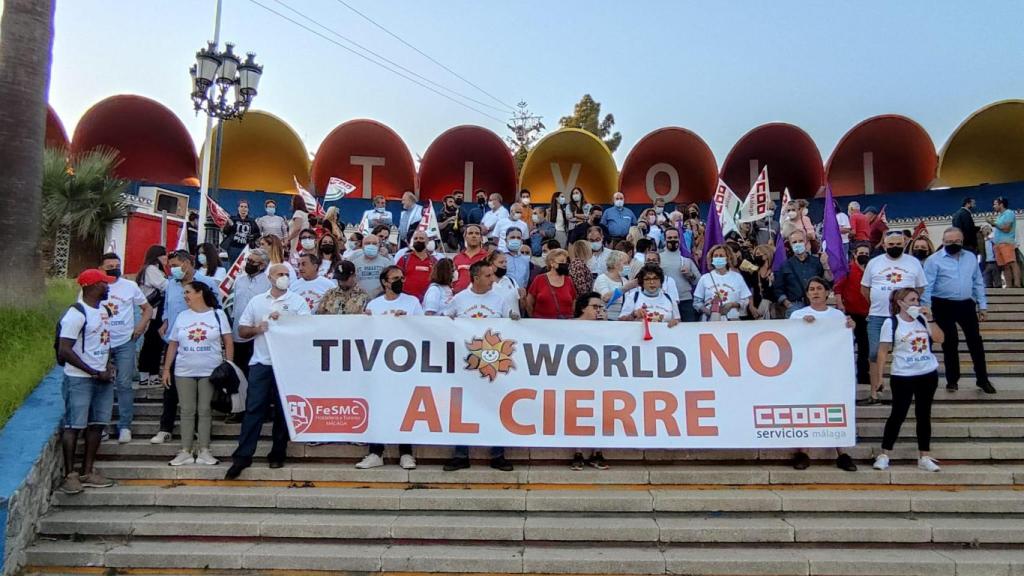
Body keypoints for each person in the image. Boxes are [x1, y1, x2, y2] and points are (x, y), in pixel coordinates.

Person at [226, 263, 311, 480]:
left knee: (283, 410)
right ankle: (243, 456)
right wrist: (259, 328)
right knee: (254, 409)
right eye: (279, 274)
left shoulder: (297, 301)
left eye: (286, 274)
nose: (283, 277)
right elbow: (243, 330)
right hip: (261, 362)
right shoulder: (257, 302)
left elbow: (306, 330)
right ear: (270, 278)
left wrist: (285, 322)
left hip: (287, 364)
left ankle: (278, 453)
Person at [442, 260, 515, 471]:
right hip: (465, 365)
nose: (493, 279)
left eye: (492, 275)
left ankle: (498, 454)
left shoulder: (500, 299)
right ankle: (460, 454)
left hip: (493, 365)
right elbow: (443, 323)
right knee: (462, 408)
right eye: (488, 276)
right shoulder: (460, 299)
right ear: (475, 278)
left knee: (496, 407)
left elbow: (511, 324)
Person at [56, 269, 117, 495]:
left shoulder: (103, 311)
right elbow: (65, 350)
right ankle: (70, 474)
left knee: (98, 423)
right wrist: (92, 371)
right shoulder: (76, 314)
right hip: (80, 378)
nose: (108, 287)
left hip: (102, 376)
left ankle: (88, 470)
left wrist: (107, 364)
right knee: (74, 425)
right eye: (104, 283)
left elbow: (103, 342)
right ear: (92, 286)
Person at [788, 277, 858, 472]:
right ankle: (803, 452)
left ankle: (842, 452)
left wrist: (850, 327)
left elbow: (844, 341)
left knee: (835, 408)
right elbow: (790, 339)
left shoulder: (837, 316)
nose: (816, 292)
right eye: (811, 289)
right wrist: (801, 325)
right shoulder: (798, 315)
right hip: (807, 370)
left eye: (819, 288)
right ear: (807, 293)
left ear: (827, 292)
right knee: (807, 408)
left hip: (832, 371)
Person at [151, 251, 221, 444]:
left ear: (188, 264)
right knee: (170, 388)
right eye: (170, 266)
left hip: (201, 344)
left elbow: (218, 308)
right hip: (175, 341)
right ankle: (165, 428)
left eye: (175, 265)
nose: (172, 269)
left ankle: (199, 430)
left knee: (200, 391)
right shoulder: (172, 284)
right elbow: (167, 306)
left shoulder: (206, 282)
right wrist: (165, 321)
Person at [872, 288, 944, 473]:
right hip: (903, 374)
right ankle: (885, 453)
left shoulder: (922, 320)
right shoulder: (892, 323)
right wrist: (879, 377)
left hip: (927, 372)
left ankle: (924, 456)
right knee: (898, 414)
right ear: (900, 302)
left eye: (917, 299)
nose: (916, 303)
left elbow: (940, 338)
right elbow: (883, 351)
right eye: (911, 300)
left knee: (923, 414)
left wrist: (930, 319)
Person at [161, 281, 232, 466]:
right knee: (186, 410)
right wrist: (166, 368)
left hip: (210, 370)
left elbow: (228, 340)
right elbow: (173, 343)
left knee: (205, 410)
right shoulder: (182, 316)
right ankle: (185, 450)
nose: (185, 296)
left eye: (188, 292)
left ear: (200, 293)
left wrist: (229, 365)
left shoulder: (218, 314)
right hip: (184, 370)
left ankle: (204, 450)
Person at [922, 227, 995, 394]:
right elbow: (927, 286)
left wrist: (982, 305)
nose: (952, 244)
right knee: (950, 342)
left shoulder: (970, 258)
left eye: (956, 242)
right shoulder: (933, 260)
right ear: (943, 242)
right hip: (942, 304)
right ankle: (952, 380)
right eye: (948, 242)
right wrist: (927, 309)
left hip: (966, 304)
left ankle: (982, 379)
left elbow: (977, 282)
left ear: (962, 242)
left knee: (975, 342)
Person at [859, 231, 927, 405]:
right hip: (877, 316)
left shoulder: (913, 263)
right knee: (874, 353)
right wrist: (879, 301)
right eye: (891, 245)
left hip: (905, 317)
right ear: (884, 245)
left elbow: (919, 288)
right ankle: (874, 392)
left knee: (906, 353)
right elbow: (865, 289)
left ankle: (906, 392)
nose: (895, 247)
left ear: (904, 244)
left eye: (898, 244)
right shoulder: (874, 263)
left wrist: (907, 305)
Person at [98, 253, 153, 443]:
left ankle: (125, 426)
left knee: (124, 384)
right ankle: (101, 425)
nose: (114, 268)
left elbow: (147, 308)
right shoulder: (95, 286)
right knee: (102, 385)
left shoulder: (130, 286)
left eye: (117, 265)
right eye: (110, 266)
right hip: (100, 344)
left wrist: (141, 327)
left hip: (124, 342)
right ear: (101, 268)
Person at [570, 291, 609, 471]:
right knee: (577, 414)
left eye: (601, 307)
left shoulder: (606, 326)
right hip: (576, 377)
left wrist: (606, 324)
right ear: (583, 308)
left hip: (601, 376)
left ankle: (597, 451)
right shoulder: (569, 326)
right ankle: (577, 452)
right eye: (595, 307)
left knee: (600, 413)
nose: (599, 310)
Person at [230, 248, 270, 395]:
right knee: (239, 371)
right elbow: (235, 306)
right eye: (248, 260)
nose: (249, 264)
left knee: (254, 374)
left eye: (253, 262)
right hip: (238, 332)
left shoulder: (268, 283)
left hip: (257, 335)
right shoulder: (239, 281)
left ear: (262, 265)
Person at [835, 243, 872, 385]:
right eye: (861, 253)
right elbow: (838, 288)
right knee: (848, 348)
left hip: (867, 314)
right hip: (851, 313)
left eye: (866, 253)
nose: (864, 256)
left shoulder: (871, 270)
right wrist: (840, 304)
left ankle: (863, 376)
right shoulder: (848, 269)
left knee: (864, 348)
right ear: (855, 254)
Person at [773, 230, 833, 318]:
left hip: (816, 303)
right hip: (795, 306)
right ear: (790, 244)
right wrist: (788, 305)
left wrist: (825, 265)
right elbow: (778, 289)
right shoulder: (785, 265)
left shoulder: (817, 262)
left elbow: (829, 281)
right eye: (794, 242)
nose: (798, 244)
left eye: (800, 241)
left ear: (806, 242)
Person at [136, 245, 168, 388]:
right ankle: (146, 374)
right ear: (157, 256)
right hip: (154, 312)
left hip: (156, 312)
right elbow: (164, 285)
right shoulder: (152, 270)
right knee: (151, 343)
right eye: (164, 255)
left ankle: (152, 374)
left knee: (155, 344)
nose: (166, 259)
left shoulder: (151, 270)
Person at [693, 245, 752, 321]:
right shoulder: (705, 278)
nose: (718, 258)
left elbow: (745, 299)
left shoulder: (737, 277)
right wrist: (709, 311)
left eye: (721, 256)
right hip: (710, 320)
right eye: (715, 256)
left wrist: (732, 305)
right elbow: (697, 302)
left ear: (728, 258)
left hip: (733, 320)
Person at [659, 226, 700, 322]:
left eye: (675, 237)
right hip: (665, 301)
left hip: (685, 301)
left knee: (689, 331)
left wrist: (690, 274)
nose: (672, 240)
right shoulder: (658, 259)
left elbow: (698, 281)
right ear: (664, 240)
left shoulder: (687, 260)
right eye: (669, 238)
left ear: (679, 239)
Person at [526, 248, 577, 319]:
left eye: (566, 262)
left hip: (565, 324)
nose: (565, 264)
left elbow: (574, 302)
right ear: (552, 263)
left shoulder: (569, 280)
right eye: (562, 261)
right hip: (542, 323)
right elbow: (529, 302)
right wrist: (534, 318)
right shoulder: (539, 279)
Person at [593, 250, 635, 321]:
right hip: (605, 320)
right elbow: (606, 298)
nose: (628, 266)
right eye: (625, 263)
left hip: (622, 321)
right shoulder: (602, 278)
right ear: (615, 265)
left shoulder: (625, 280)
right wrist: (626, 287)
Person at [396, 229, 437, 301]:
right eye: (416, 238)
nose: (418, 240)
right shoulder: (404, 259)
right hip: (407, 300)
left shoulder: (434, 261)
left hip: (427, 301)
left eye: (421, 238)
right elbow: (396, 278)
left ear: (427, 242)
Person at [988, 196, 1020, 288]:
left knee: (1012, 263)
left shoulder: (1009, 213)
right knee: (1005, 266)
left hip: (1006, 243)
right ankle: (1009, 286)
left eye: (995, 204)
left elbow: (1006, 229)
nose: (993, 206)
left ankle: (1017, 284)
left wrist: (993, 223)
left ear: (1001, 204)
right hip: (998, 244)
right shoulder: (999, 216)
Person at [452, 224, 487, 293]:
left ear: (481, 238)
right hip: (459, 297)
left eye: (477, 233)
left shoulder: (487, 257)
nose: (474, 236)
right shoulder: (457, 258)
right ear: (465, 237)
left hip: (480, 298)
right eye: (470, 233)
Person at [487, 250, 523, 317]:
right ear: (491, 264)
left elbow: (521, 307)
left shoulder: (512, 281)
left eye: (505, 262)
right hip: (495, 325)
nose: (504, 265)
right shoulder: (485, 284)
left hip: (514, 324)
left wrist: (523, 298)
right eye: (501, 262)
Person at [223, 200, 260, 264]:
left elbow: (258, 233)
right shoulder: (232, 219)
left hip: (246, 247)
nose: (243, 208)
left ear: (248, 209)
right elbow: (225, 232)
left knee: (244, 264)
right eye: (241, 206)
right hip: (233, 247)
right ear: (238, 208)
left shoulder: (251, 221)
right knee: (233, 265)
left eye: (245, 207)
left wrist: (253, 236)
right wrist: (229, 225)